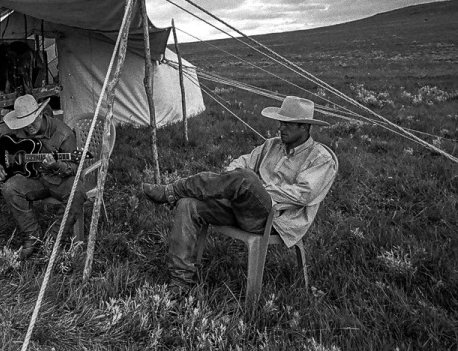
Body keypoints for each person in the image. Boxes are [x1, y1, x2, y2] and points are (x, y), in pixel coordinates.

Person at [142, 96, 338, 291]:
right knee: (188, 204)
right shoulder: (272, 145)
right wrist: (233, 180)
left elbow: (302, 194)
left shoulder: (321, 158)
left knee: (245, 179)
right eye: (280, 123)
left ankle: (172, 190)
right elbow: (242, 162)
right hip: (242, 206)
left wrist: (256, 188)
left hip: (275, 220)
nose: (281, 128)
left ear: (304, 127)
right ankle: (180, 282)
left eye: (287, 124)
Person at [0, 94, 82, 260]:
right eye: (24, 123)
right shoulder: (18, 127)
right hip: (33, 179)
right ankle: (32, 237)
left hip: (59, 179)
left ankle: (53, 241)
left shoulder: (64, 134)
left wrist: (56, 165)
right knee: (9, 188)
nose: (28, 127)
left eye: (32, 121)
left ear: (40, 114)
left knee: (77, 192)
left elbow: (74, 167)